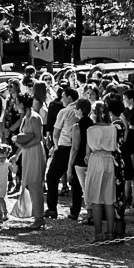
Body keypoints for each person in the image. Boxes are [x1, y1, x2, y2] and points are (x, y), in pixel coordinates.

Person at [82, 98, 119, 242]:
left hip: (96, 159)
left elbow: (88, 149)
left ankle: (98, 234)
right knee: (109, 199)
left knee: (96, 200)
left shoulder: (91, 130)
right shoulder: (112, 128)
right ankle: (110, 233)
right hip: (109, 160)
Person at [46, 86, 83, 221]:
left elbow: (55, 133)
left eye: (63, 96)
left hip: (64, 146)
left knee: (52, 176)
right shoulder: (81, 110)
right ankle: (75, 211)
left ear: (69, 97)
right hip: (79, 148)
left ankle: (52, 208)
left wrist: (55, 146)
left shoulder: (64, 111)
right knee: (76, 180)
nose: (61, 99)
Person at [17, 81, 48, 229]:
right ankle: (37, 214)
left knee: (35, 184)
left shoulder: (35, 117)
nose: (16, 105)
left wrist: (24, 146)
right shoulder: (25, 118)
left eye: (18, 103)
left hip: (35, 151)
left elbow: (38, 137)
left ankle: (39, 217)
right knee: (29, 183)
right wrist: (17, 153)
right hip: (29, 151)